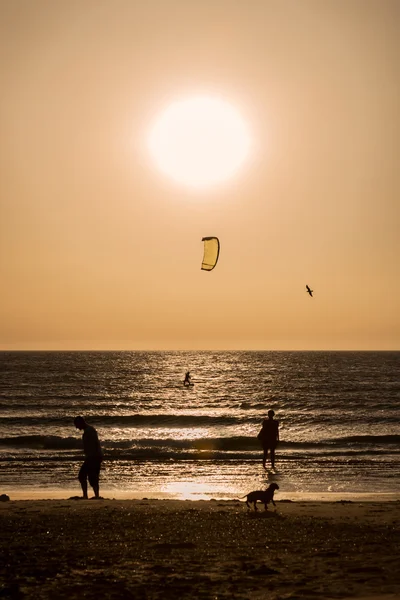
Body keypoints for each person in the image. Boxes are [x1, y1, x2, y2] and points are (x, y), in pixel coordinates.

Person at [74, 416, 103, 499]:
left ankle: (90, 495)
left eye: (77, 424)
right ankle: (92, 495)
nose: (76, 427)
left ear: (81, 423)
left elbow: (95, 444)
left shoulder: (90, 431)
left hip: (93, 457)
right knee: (91, 476)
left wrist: (93, 456)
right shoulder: (89, 430)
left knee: (86, 476)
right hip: (93, 456)